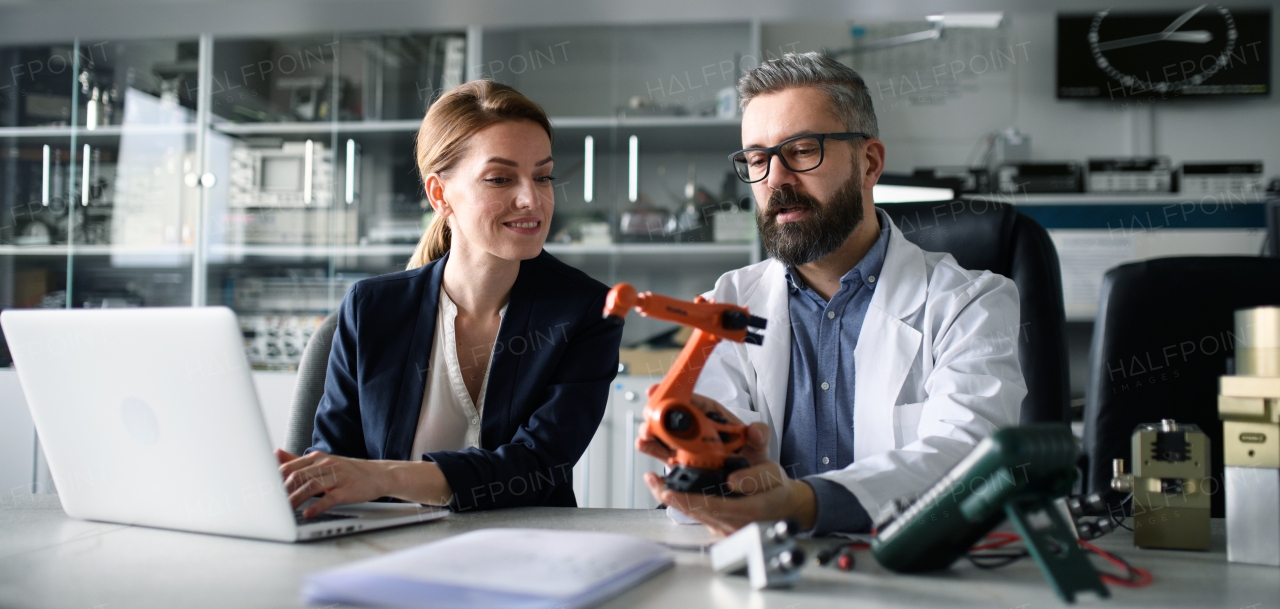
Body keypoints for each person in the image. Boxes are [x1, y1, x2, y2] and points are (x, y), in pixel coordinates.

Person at [639, 52, 1026, 536]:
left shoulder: (970, 303)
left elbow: (969, 460)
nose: (775, 179)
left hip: (914, 574)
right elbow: (712, 488)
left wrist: (800, 502)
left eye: (801, 151)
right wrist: (713, 467)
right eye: (757, 159)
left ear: (869, 162)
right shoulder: (728, 303)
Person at [276, 81, 623, 518]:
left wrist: (384, 477)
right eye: (500, 178)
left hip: (527, 556)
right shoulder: (370, 309)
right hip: (386, 554)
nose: (531, 199)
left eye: (543, 176)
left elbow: (537, 466)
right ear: (440, 194)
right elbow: (333, 466)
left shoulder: (586, 310)